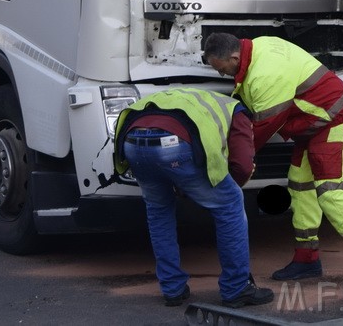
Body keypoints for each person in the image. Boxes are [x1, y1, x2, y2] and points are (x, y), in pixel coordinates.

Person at [202, 32, 343, 282]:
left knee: (330, 191)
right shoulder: (259, 46)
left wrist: (233, 161)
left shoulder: (266, 75)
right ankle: (306, 258)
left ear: (234, 55)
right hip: (314, 122)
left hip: (331, 118)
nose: (222, 74)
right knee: (300, 186)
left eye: (222, 69)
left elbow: (260, 130)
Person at [114, 87, 274, 309]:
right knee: (230, 203)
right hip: (173, 142)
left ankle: (172, 289)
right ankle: (236, 288)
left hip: (132, 141)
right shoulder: (238, 111)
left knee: (158, 212)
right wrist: (219, 188)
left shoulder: (193, 97)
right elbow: (243, 164)